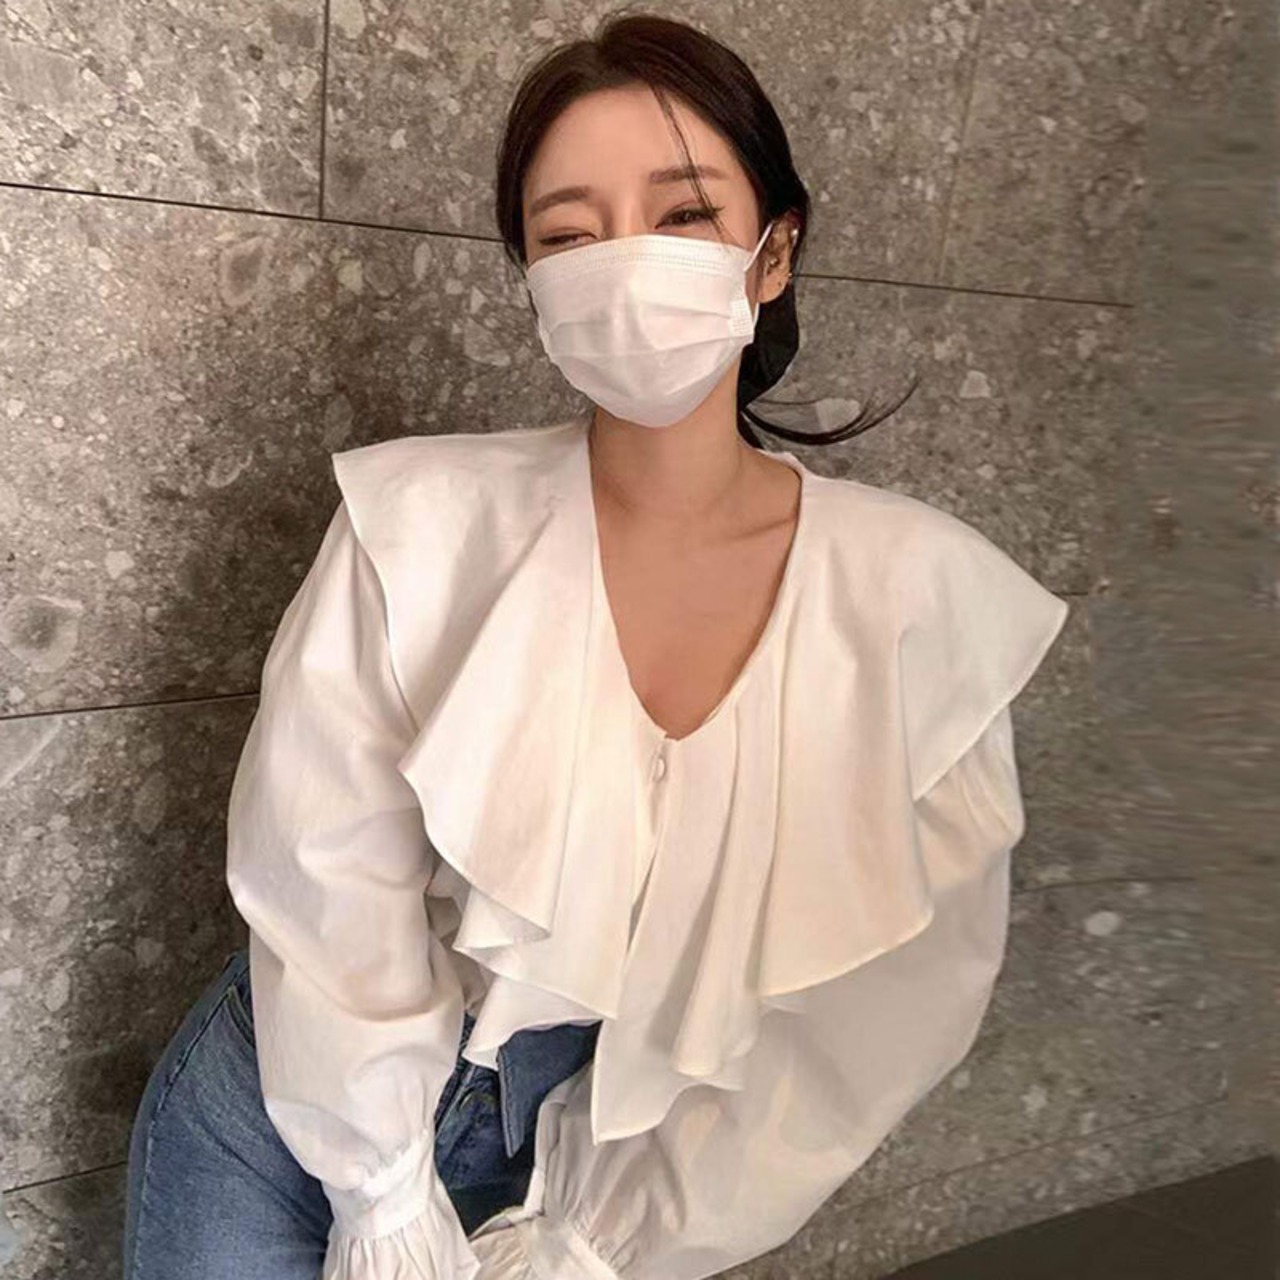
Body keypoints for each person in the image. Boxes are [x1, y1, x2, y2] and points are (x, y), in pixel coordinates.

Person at [123, 11, 1070, 1280]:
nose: (624, 263)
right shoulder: (418, 524)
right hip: (283, 1115)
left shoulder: (915, 599)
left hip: (601, 1143)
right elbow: (320, 862)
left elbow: (883, 1006)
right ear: (529, 278)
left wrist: (608, 1235)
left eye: (681, 213)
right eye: (569, 232)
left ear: (773, 250)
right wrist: (381, 1187)